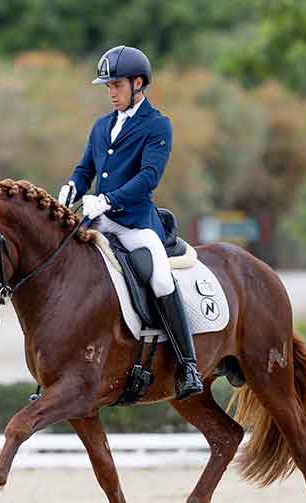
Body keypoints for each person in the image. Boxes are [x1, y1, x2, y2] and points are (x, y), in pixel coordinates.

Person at [58, 45, 203, 399]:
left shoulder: (157, 125)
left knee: (159, 278)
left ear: (139, 83)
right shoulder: (101, 125)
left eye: (117, 85)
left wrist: (107, 199)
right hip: (98, 225)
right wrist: (71, 189)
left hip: (136, 226)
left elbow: (148, 178)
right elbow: (85, 169)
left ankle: (187, 365)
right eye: (108, 87)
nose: (111, 93)